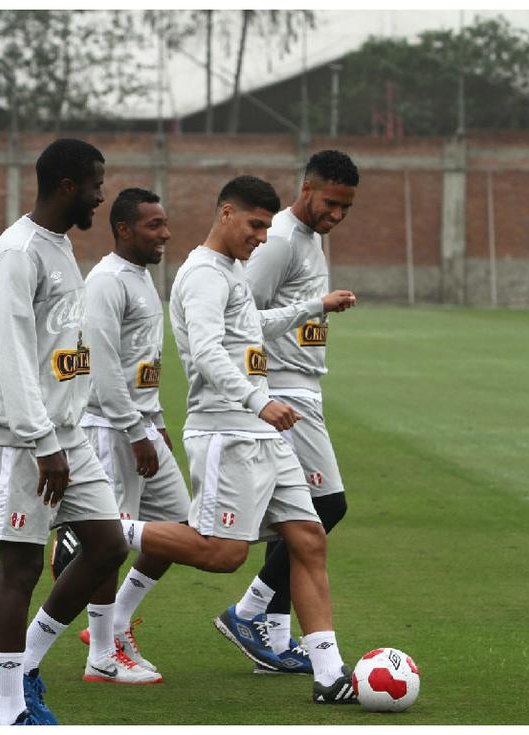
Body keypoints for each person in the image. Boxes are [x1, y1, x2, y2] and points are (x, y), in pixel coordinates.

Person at [111, 175, 358, 704]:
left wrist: (315, 306)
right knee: (223, 555)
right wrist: (256, 401)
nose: (262, 236)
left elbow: (250, 327)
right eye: (255, 224)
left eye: (268, 226)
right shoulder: (202, 273)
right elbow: (204, 349)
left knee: (309, 538)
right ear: (226, 213)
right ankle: (106, 529)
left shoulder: (232, 271)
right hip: (227, 428)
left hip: (262, 430)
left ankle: (330, 674)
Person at [0, 138, 133, 724]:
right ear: (67, 186)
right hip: (23, 442)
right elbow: (13, 357)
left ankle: (23, 662)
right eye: (95, 184)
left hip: (67, 436)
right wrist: (41, 443)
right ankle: (10, 709)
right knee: (19, 568)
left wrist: (65, 432)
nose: (101, 196)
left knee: (108, 545)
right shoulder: (16, 253)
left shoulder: (60, 246)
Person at [213, 150, 360, 675]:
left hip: (302, 389)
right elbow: (241, 316)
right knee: (327, 506)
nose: (337, 215)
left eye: (346, 207)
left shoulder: (311, 240)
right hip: (282, 392)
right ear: (307, 188)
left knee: (295, 517)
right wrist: (313, 309)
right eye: (330, 202)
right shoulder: (276, 240)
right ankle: (249, 611)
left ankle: (271, 634)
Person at [54, 188, 189, 682]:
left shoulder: (142, 279)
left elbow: (142, 366)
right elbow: (103, 367)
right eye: (154, 225)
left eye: (165, 222)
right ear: (124, 230)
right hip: (111, 429)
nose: (166, 234)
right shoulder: (107, 281)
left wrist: (158, 426)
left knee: (180, 526)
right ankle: (103, 657)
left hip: (142, 426)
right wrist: (136, 430)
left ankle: (117, 620)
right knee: (109, 540)